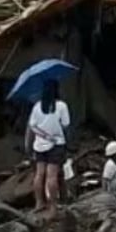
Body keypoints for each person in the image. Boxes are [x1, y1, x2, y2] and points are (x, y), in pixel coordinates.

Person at [28, 80, 71, 215]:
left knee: (39, 174)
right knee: (51, 176)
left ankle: (39, 202)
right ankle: (53, 206)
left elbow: (32, 126)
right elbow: (66, 124)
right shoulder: (61, 106)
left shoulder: (37, 107)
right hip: (56, 145)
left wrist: (43, 135)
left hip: (39, 145)